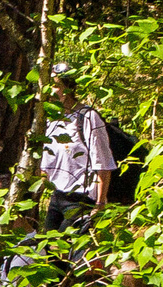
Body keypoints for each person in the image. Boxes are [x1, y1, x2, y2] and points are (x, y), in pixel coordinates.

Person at [40, 64, 115, 231]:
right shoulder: (50, 119)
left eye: (56, 85)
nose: (51, 91)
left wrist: (100, 204)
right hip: (57, 196)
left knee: (70, 251)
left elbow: (103, 164)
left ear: (69, 88)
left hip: (82, 198)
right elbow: (46, 166)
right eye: (48, 85)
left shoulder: (88, 117)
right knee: (47, 252)